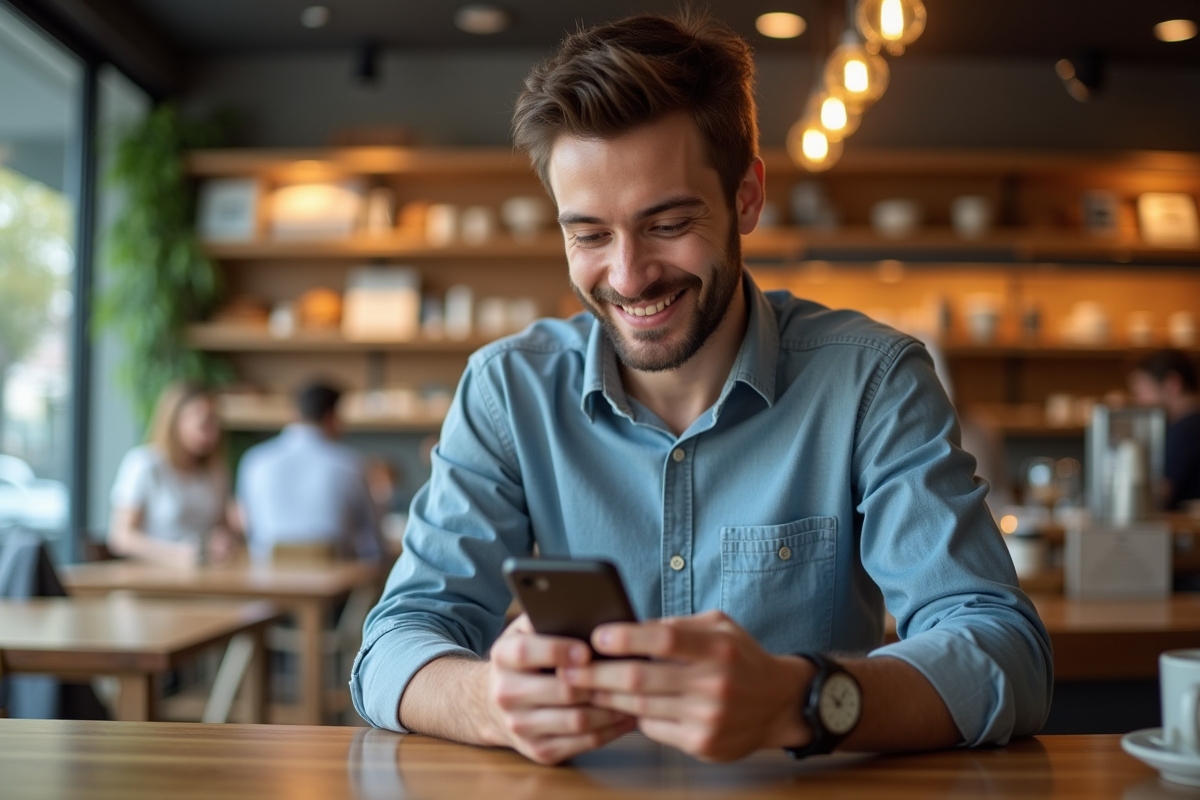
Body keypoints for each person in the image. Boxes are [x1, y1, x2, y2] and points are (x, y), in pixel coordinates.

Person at [352, 13, 1052, 765]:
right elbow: (392, 644)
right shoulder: (507, 391)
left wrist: (801, 699)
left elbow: (1005, 652)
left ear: (746, 197)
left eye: (668, 223)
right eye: (588, 235)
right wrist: (488, 700)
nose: (627, 277)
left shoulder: (871, 380)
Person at [236, 380, 385, 563]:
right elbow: (373, 542)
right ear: (332, 417)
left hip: (267, 582)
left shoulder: (254, 460)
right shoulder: (352, 464)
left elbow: (247, 525)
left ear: (294, 413)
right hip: (337, 585)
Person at [109, 381, 239, 567]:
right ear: (176, 420)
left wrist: (225, 540)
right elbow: (121, 537)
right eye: (204, 422)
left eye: (215, 422)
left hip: (206, 576)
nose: (212, 432)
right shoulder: (143, 464)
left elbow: (223, 528)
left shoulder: (215, 471)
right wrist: (179, 554)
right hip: (151, 578)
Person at [1128, 349, 1200, 511]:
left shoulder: (1186, 430)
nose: (1138, 402)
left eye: (1141, 393)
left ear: (1171, 384)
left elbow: (1161, 494)